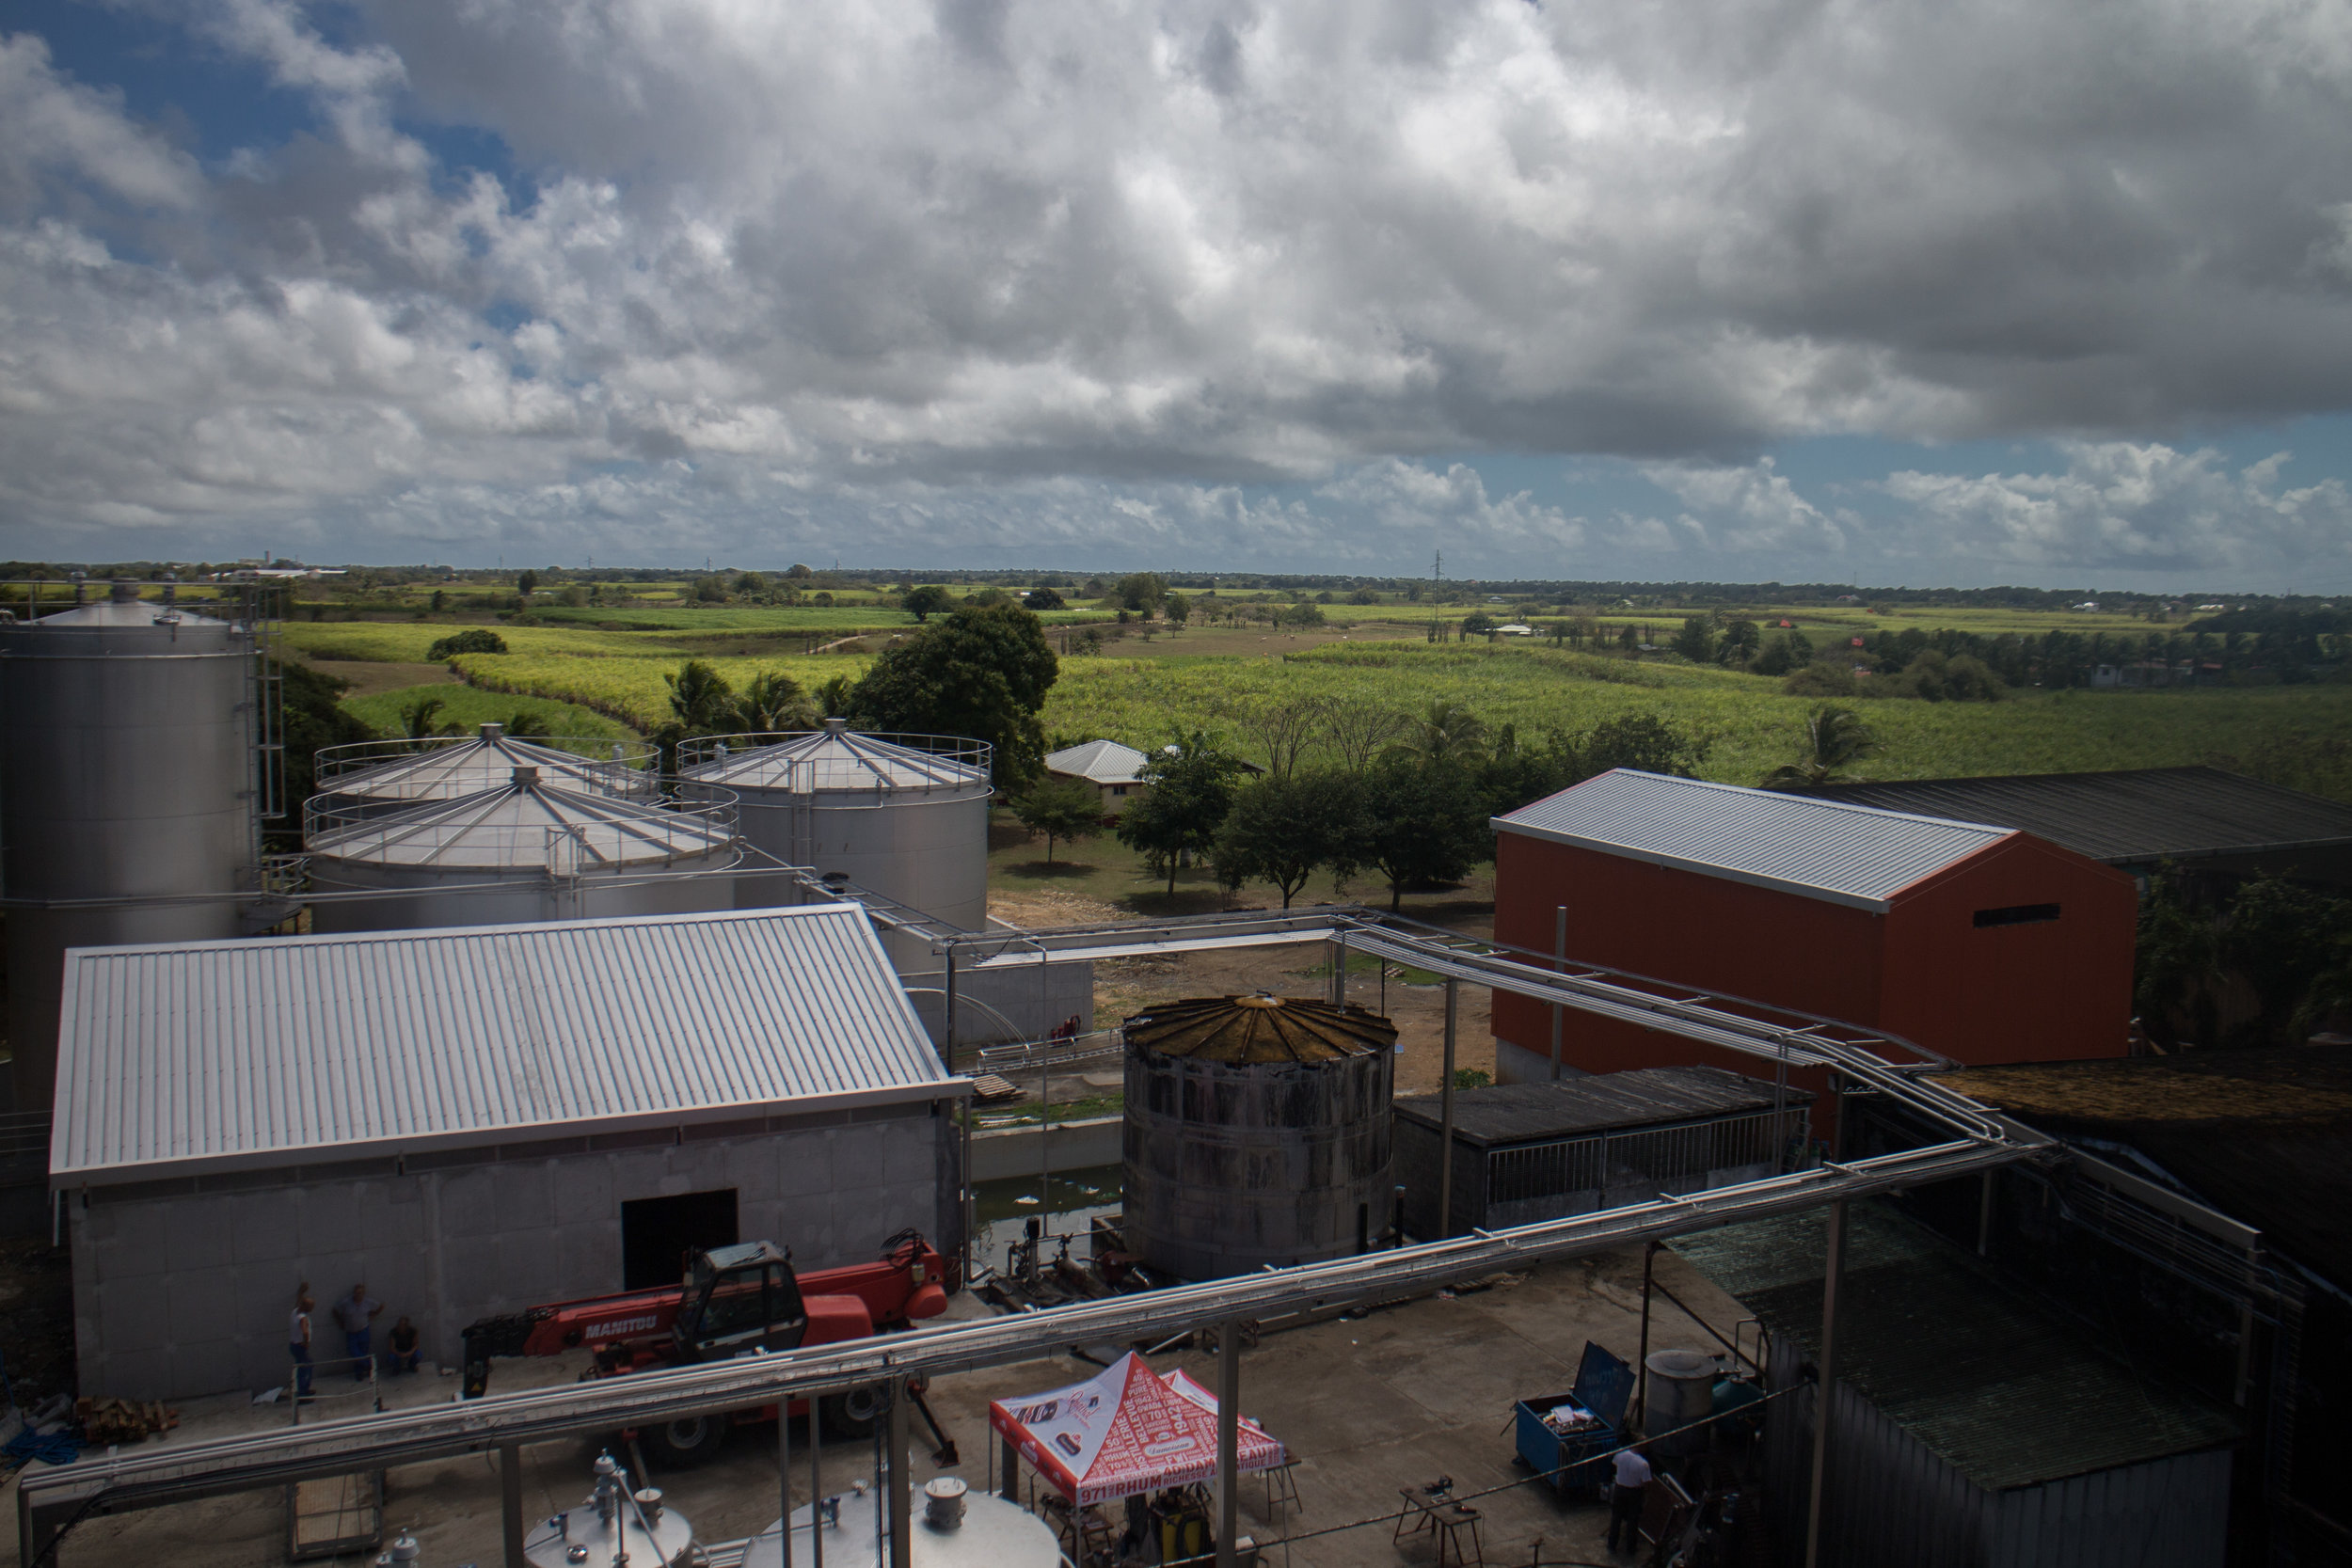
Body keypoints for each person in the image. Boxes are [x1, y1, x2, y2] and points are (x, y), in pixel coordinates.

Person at [332, 1282, 385, 1379]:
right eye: (356, 1293)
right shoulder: (346, 1302)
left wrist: (374, 1315)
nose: (358, 1295)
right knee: (355, 1353)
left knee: (363, 1352)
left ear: (363, 1293)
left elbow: (381, 1306)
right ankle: (370, 1365)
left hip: (363, 1330)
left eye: (360, 1293)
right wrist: (340, 1321)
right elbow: (335, 1309)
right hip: (351, 1332)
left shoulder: (368, 1302)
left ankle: (359, 1372)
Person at [1607, 1443, 1653, 1554]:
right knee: (1633, 1520)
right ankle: (1631, 1549)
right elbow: (1646, 1484)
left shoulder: (1620, 1454)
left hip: (1619, 1490)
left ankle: (1611, 1545)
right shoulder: (1643, 1464)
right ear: (1642, 1447)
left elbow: (1614, 1465)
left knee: (1616, 1518)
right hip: (1634, 1493)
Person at [288, 1286, 315, 1401]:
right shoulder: (303, 1318)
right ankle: (303, 1394)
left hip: (293, 1345)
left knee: (305, 1366)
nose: (312, 1309)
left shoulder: (295, 1311)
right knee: (304, 1369)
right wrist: (306, 1342)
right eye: (311, 1307)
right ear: (306, 1307)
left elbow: (299, 1301)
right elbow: (305, 1331)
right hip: (300, 1346)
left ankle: (304, 1390)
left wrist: (301, 1292)